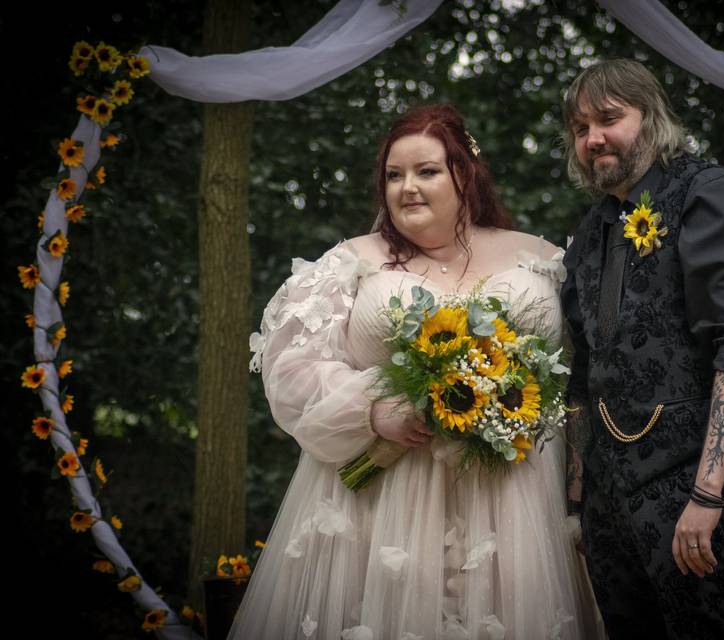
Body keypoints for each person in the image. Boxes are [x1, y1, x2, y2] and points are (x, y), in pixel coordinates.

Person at [230, 103, 603, 640]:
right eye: (393, 175)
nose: (407, 187)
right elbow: (290, 368)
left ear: (464, 175)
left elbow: (583, 373)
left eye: (426, 171)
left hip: (515, 501)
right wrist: (373, 408)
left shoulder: (541, 259)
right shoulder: (352, 262)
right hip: (383, 504)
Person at [560, 59, 724, 639]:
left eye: (609, 119)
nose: (593, 139)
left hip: (696, 489)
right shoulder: (591, 231)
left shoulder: (712, 195)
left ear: (651, 119)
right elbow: (585, 371)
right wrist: (583, 503)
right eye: (580, 129)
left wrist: (708, 494)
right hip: (609, 501)